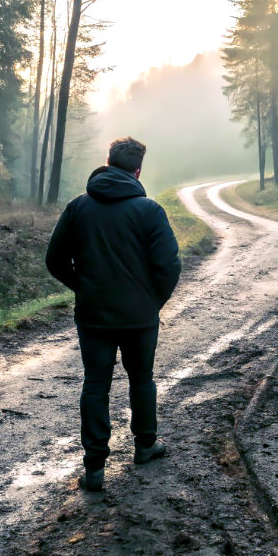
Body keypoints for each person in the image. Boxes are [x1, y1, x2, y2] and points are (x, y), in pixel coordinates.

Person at [45, 137, 181, 492]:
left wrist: (84, 289)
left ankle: (94, 467)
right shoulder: (149, 210)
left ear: (107, 163)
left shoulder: (78, 207)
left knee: (95, 384)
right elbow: (168, 265)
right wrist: (153, 301)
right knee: (142, 379)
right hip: (140, 316)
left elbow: (55, 261)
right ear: (137, 171)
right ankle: (145, 445)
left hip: (94, 316)